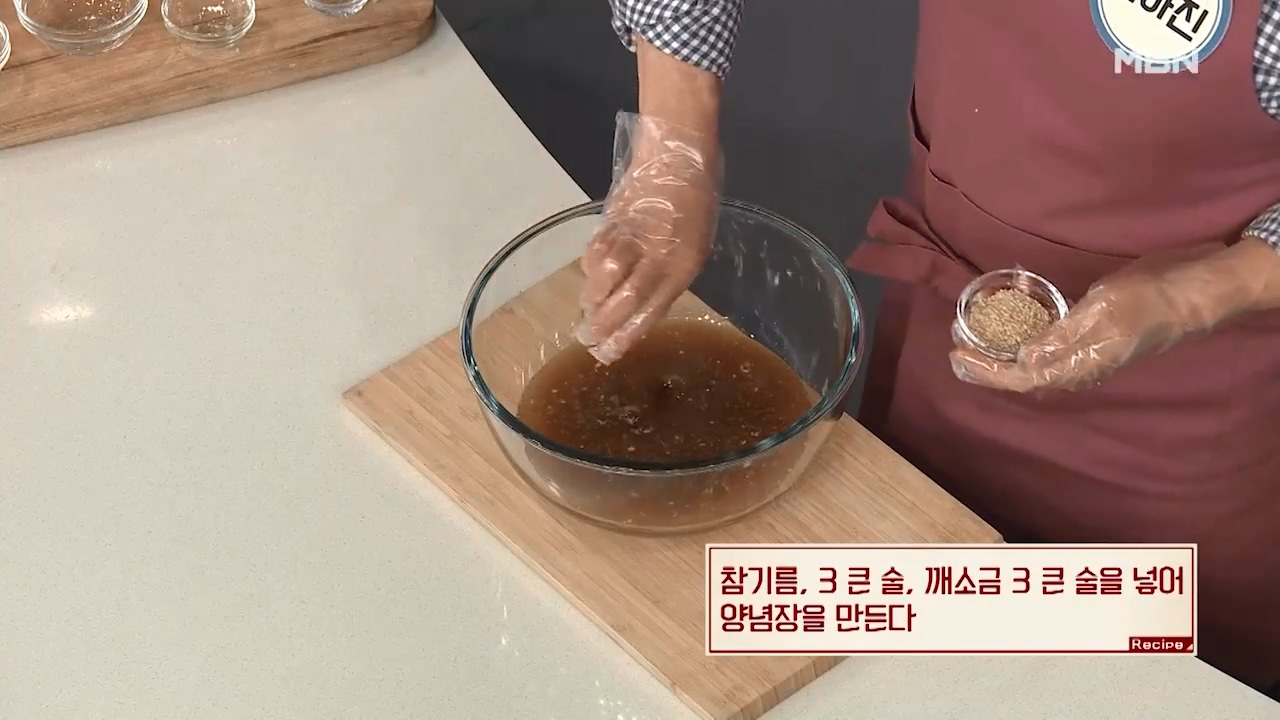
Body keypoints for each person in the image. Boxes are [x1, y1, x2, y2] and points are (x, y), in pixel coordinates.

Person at [575, 0, 1280, 698]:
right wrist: (672, 151)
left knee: (1132, 690)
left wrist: (1193, 295)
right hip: (949, 339)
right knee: (901, 669)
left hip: (1191, 415)